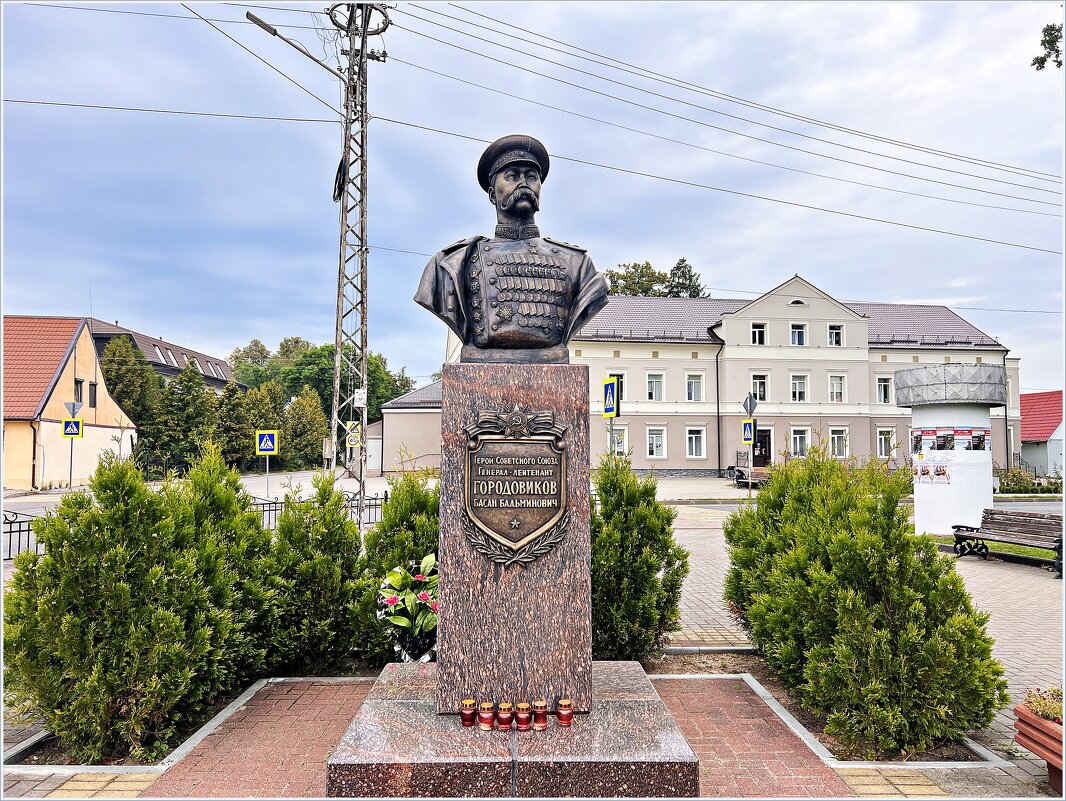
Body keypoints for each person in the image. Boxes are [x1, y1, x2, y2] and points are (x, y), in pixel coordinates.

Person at [414, 134, 608, 364]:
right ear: (491, 193)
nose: (524, 183)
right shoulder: (453, 263)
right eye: (512, 176)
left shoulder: (578, 264)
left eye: (532, 177)